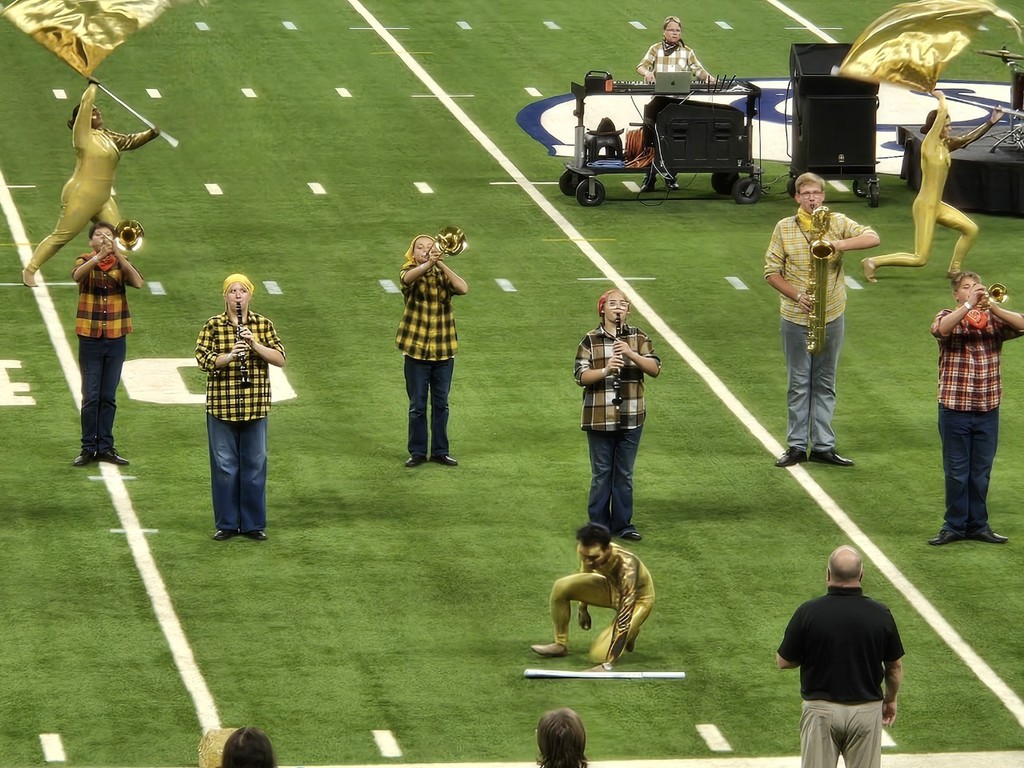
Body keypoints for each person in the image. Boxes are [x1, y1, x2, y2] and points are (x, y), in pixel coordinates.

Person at [764, 172, 880, 468]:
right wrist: (797, 296)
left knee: (826, 381)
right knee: (799, 381)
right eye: (806, 194)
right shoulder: (784, 228)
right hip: (796, 316)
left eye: (816, 193)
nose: (812, 198)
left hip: (832, 312)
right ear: (797, 198)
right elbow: (771, 271)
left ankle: (824, 445)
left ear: (823, 195)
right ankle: (796, 445)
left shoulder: (837, 223)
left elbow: (873, 237)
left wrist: (837, 245)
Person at [777, 545, 904, 768]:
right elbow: (894, 667)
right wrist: (891, 699)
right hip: (866, 710)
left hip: (820, 712)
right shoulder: (880, 614)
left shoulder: (808, 612)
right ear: (861, 575)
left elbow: (784, 661)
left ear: (828, 574)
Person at [23, 82, 160, 288]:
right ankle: (30, 270)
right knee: (62, 236)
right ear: (84, 118)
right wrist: (93, 87)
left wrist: (151, 134)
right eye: (93, 111)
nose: (97, 111)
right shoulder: (82, 135)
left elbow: (130, 141)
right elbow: (86, 103)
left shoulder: (107, 136)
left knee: (118, 236)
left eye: (97, 110)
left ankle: (121, 273)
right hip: (82, 194)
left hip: (103, 198)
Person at [862, 91, 1002, 282]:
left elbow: (968, 138)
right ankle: (873, 261)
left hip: (938, 205)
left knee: (971, 229)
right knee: (920, 258)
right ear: (936, 127)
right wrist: (941, 97)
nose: (950, 128)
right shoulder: (929, 144)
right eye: (946, 125)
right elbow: (942, 113)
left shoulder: (945, 146)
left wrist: (991, 122)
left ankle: (954, 270)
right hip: (925, 206)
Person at [927, 271, 1024, 546]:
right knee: (957, 472)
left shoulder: (994, 319)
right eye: (965, 288)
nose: (973, 290)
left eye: (975, 286)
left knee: (981, 472)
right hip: (955, 408)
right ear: (956, 294)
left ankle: (978, 525)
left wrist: (992, 305)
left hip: (987, 408)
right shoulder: (948, 314)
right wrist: (969, 306)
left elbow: (1022, 324)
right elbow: (940, 330)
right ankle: (954, 525)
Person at [195, 274, 286, 542]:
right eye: (232, 291)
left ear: (250, 295)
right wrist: (229, 357)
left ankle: (252, 524)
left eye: (242, 290)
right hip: (222, 407)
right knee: (224, 468)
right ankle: (226, 523)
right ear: (225, 296)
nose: (237, 295)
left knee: (255, 466)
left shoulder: (263, 325)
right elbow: (202, 358)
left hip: (255, 406)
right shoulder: (213, 326)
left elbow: (280, 358)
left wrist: (253, 344)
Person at [574, 289, 660, 541]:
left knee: (624, 473)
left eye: (623, 303)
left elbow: (654, 368)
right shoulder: (590, 340)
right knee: (602, 473)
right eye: (613, 303)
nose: (619, 307)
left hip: (631, 415)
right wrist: (606, 369)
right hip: (599, 416)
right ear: (603, 309)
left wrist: (631, 354)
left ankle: (624, 524)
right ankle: (599, 526)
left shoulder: (639, 337)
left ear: (628, 310)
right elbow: (580, 376)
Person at [531, 522, 655, 670]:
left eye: (593, 558)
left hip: (637, 599)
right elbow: (585, 574)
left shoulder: (627, 566)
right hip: (610, 587)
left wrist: (608, 665)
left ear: (608, 549)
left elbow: (624, 618)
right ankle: (560, 644)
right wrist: (583, 609)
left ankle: (633, 631)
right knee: (561, 586)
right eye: (584, 557)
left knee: (599, 655)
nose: (589, 562)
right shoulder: (587, 551)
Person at [71, 221, 143, 467]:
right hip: (90, 337)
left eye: (108, 236)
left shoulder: (120, 264)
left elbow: (138, 282)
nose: (103, 238)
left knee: (108, 396)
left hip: (115, 337)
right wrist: (98, 257)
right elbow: (77, 276)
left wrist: (119, 256)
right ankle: (87, 447)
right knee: (90, 396)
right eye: (99, 235)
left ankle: (105, 447)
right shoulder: (84, 260)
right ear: (91, 241)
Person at [395, 233, 469, 468]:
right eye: (421, 247)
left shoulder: (441, 273)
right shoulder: (408, 270)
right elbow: (407, 280)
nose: (426, 250)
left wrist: (441, 264)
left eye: (430, 247)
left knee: (441, 404)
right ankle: (417, 452)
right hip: (416, 351)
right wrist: (429, 263)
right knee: (417, 405)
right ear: (413, 253)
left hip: (443, 351)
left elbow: (463, 288)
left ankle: (440, 451)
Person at [635, 15, 714, 192]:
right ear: (664, 32)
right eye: (671, 30)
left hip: (679, 101)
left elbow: (698, 70)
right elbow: (641, 66)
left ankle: (671, 176)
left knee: (676, 140)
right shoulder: (655, 49)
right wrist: (647, 74)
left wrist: (709, 78)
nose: (675, 33)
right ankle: (649, 177)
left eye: (677, 30)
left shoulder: (687, 52)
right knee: (653, 138)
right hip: (659, 100)